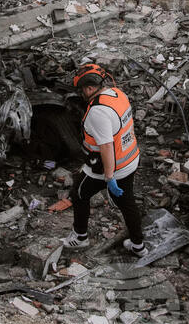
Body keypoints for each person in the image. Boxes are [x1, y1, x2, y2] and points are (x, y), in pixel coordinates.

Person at [61, 64, 145, 257]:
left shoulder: (97, 112)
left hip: (110, 167)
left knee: (79, 193)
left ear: (90, 88)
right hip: (130, 158)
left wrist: (109, 177)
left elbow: (106, 146)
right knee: (127, 203)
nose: (81, 93)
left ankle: (80, 237)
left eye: (82, 89)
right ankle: (139, 246)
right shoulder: (117, 94)